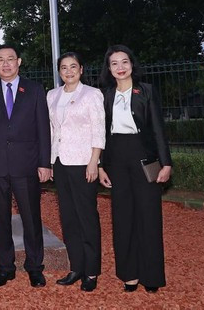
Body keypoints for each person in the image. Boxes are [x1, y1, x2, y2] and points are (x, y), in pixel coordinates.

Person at [0, 45, 51, 288]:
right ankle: (5, 268)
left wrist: (44, 163)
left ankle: (35, 267)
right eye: (0, 60)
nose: (6, 64)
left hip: (26, 165)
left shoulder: (35, 90)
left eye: (10, 59)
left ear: (18, 61)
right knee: (0, 220)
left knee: (31, 218)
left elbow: (43, 129)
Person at [97, 44, 172, 293]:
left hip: (144, 157)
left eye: (124, 62)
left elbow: (158, 130)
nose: (120, 67)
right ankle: (129, 274)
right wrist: (100, 166)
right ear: (109, 68)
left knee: (149, 217)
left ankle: (151, 276)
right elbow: (99, 133)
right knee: (123, 218)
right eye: (114, 63)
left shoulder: (147, 91)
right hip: (116, 159)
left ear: (132, 64)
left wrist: (166, 163)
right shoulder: (104, 95)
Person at [46, 52, 105, 292]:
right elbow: (52, 130)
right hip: (60, 162)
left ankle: (91, 271)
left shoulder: (92, 94)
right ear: (59, 71)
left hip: (83, 163)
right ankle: (76, 267)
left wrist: (94, 162)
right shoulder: (52, 95)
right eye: (63, 68)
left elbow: (99, 130)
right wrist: (50, 162)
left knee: (87, 217)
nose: (68, 71)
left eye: (73, 67)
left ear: (81, 69)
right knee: (68, 218)